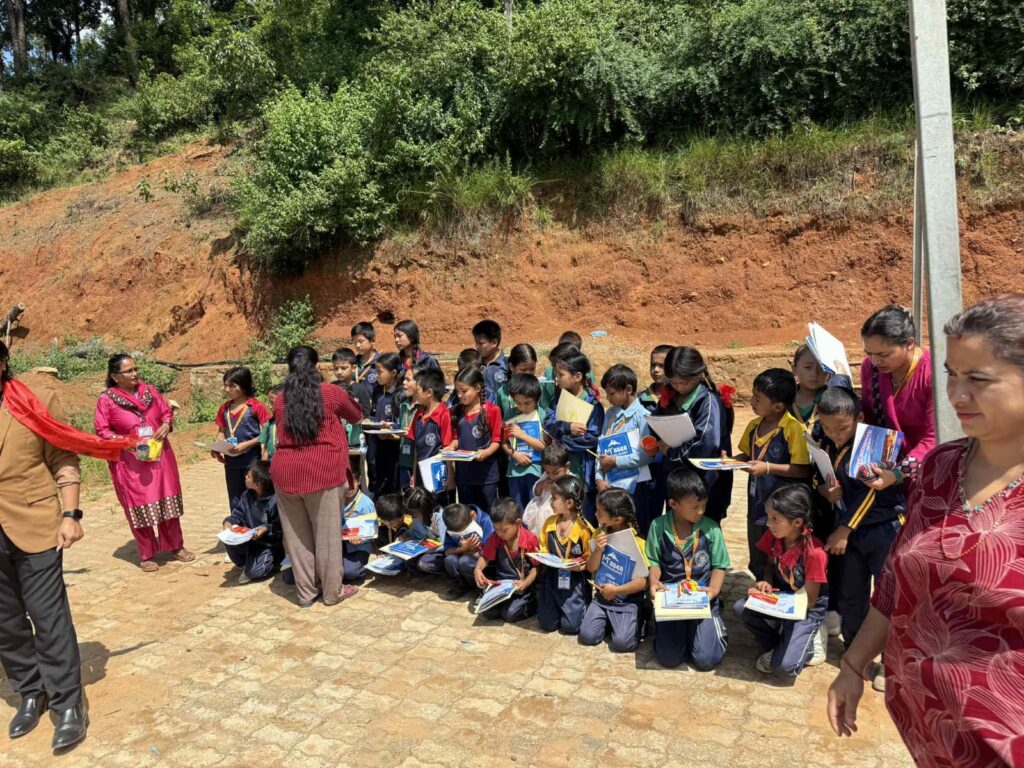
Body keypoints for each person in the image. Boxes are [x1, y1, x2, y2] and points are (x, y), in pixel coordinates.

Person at [828, 294, 1024, 767]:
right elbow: (896, 578)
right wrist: (853, 664)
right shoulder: (941, 469)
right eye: (952, 374)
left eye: (978, 379)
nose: (956, 395)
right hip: (925, 729)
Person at [0, 341, 126, 748]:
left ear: (2, 362)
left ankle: (68, 703)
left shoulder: (33, 401)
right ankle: (30, 691)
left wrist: (71, 514)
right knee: (5, 622)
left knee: (48, 616)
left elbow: (64, 457)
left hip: (35, 523)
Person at [816, 386, 904, 680]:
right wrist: (825, 490)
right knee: (852, 594)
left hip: (883, 529)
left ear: (860, 418)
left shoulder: (874, 442)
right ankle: (856, 653)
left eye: (841, 428)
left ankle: (891, 662)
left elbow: (871, 493)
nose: (834, 434)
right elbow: (820, 476)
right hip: (851, 533)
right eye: (827, 428)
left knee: (889, 596)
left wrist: (844, 529)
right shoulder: (826, 442)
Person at [270, 345, 363, 607]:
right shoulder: (332, 393)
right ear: (317, 366)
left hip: (286, 472)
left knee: (296, 537)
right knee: (327, 536)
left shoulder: (280, 400)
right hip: (324, 470)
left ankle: (306, 593)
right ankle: (332, 592)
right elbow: (356, 416)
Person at [94, 354, 194, 572]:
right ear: (115, 376)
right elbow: (102, 430)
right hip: (131, 461)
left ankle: (175, 546)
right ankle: (147, 553)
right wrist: (127, 442)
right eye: (128, 371)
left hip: (160, 455)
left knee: (167, 498)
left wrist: (166, 425)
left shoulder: (149, 391)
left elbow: (166, 413)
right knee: (139, 503)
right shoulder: (107, 399)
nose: (135, 374)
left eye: (135, 369)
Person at [735, 485, 828, 676]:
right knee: (741, 608)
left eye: (775, 519)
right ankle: (781, 643)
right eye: (768, 517)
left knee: (784, 667)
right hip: (783, 600)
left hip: (805, 609)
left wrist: (780, 608)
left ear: (797, 522)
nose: (769, 523)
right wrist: (765, 583)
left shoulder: (814, 553)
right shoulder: (774, 535)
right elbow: (770, 564)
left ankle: (811, 643)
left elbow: (810, 600)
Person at [731, 368, 811, 579]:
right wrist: (729, 461)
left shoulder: (792, 428)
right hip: (756, 505)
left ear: (778, 406)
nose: (752, 401)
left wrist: (767, 468)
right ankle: (761, 589)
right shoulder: (753, 426)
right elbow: (746, 455)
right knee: (758, 554)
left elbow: (802, 469)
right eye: (753, 396)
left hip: (781, 511)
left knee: (778, 557)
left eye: (758, 399)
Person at [646, 469, 730, 670]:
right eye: (695, 507)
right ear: (673, 504)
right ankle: (675, 631)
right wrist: (654, 581)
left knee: (706, 660)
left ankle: (713, 628)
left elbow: (719, 565)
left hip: (702, 598)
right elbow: (654, 561)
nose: (701, 511)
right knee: (669, 658)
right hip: (672, 599)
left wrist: (714, 590)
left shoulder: (711, 529)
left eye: (704, 505)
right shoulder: (658, 526)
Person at [653, 346, 733, 523]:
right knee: (677, 527)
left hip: (704, 482)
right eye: (674, 382)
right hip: (676, 479)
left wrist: (672, 452)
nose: (679, 387)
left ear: (698, 374)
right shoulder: (670, 397)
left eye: (684, 382)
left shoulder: (708, 401)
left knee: (701, 529)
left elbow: (705, 443)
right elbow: (656, 422)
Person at [859, 305, 935, 488]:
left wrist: (898, 474)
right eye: (869, 354)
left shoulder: (933, 374)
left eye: (883, 354)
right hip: (883, 466)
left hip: (929, 469)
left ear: (909, 344)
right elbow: (871, 419)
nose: (875, 361)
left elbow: (935, 437)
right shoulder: (870, 368)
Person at [580, 488, 649, 653]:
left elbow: (644, 582)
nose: (595, 514)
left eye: (600, 512)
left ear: (617, 519)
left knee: (622, 644)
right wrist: (598, 550)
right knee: (587, 636)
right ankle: (612, 623)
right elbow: (591, 567)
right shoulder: (599, 534)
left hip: (627, 602)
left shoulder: (638, 543)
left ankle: (641, 618)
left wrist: (616, 591)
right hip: (602, 598)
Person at [544, 350, 604, 526]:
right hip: (561, 468)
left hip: (583, 470)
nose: (556, 379)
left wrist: (562, 442)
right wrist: (567, 427)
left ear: (577, 376)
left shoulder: (593, 404)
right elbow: (548, 423)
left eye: (561, 375)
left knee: (584, 517)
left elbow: (593, 438)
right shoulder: (558, 399)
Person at [595, 364, 654, 533]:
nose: (608, 398)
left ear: (628, 389)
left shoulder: (643, 417)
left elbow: (646, 456)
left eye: (612, 393)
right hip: (610, 486)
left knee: (633, 531)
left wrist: (616, 461)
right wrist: (599, 479)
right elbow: (600, 449)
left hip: (634, 487)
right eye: (606, 393)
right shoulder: (610, 414)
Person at [537, 476, 592, 635]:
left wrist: (579, 567)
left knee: (571, 627)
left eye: (554, 498)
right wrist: (542, 556)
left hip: (574, 581)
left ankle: (583, 605)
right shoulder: (549, 523)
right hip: (552, 577)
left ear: (569, 503)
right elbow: (544, 548)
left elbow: (589, 561)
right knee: (547, 623)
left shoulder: (584, 529)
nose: (550, 502)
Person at [213, 366, 270, 514]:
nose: (227, 389)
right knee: (234, 499)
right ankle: (236, 525)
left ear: (243, 386)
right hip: (231, 463)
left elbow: (268, 431)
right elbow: (221, 432)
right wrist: (217, 447)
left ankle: (255, 526)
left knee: (253, 497)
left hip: (251, 461)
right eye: (225, 385)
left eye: (232, 386)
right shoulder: (224, 409)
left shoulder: (256, 406)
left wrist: (247, 444)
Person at [474, 497, 540, 622]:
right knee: (488, 612)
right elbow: (485, 557)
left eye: (504, 530)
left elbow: (537, 567)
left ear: (518, 523)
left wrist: (526, 583)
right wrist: (477, 569)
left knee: (509, 614)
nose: (499, 533)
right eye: (496, 529)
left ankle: (531, 603)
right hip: (502, 586)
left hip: (522, 587)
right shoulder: (495, 537)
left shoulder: (529, 539)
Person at [221, 460, 283, 584]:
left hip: (269, 544)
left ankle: (275, 561)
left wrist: (265, 529)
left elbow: (279, 529)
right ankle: (247, 562)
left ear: (258, 484)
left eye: (249, 476)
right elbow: (237, 515)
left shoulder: (275, 501)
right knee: (228, 538)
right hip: (250, 540)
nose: (245, 477)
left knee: (254, 572)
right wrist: (228, 522)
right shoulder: (247, 495)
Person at [450, 367, 503, 512]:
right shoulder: (455, 412)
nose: (460, 395)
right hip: (464, 476)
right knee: (468, 514)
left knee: (488, 514)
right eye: (457, 391)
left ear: (478, 388)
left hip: (487, 476)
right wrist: (450, 447)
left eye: (464, 391)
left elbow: (496, 441)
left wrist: (486, 452)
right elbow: (456, 439)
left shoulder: (492, 410)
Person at [407, 368, 453, 502]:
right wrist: (414, 474)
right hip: (421, 474)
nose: (415, 393)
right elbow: (416, 449)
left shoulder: (444, 414)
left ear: (429, 392)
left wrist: (451, 476)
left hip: (439, 475)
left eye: (417, 390)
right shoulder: (418, 414)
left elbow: (448, 449)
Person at [502, 373, 546, 512]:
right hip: (514, 472)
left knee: (535, 509)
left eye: (527, 403)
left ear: (537, 399)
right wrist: (514, 454)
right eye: (518, 403)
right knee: (518, 510)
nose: (522, 408)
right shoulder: (510, 414)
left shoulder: (542, 414)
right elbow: (504, 442)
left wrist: (522, 435)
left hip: (536, 470)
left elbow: (544, 446)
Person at [440, 502, 493, 600]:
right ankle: (461, 585)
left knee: (464, 561)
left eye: (464, 532)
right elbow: (447, 551)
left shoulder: (486, 521)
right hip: (464, 557)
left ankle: (481, 587)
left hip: (484, 563)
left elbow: (489, 553)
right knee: (450, 560)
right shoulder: (452, 525)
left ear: (473, 515)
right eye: (456, 534)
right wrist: (462, 549)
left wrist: (469, 551)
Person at [368, 352, 403, 497]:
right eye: (376, 372)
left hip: (394, 449)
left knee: (392, 487)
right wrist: (370, 421)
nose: (377, 376)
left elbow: (402, 424)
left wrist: (390, 431)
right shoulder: (377, 391)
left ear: (393, 373)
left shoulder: (401, 395)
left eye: (380, 372)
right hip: (378, 445)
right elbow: (374, 413)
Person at [523, 443, 571, 537]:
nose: (551, 476)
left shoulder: (570, 481)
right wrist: (540, 486)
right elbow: (536, 493)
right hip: (542, 520)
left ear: (567, 466)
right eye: (548, 472)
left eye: (556, 473)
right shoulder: (545, 477)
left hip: (560, 520)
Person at [341, 468, 375, 582]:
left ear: (359, 480)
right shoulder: (336, 499)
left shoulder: (366, 504)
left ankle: (360, 568)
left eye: (353, 483)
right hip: (340, 544)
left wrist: (361, 539)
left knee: (350, 572)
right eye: (346, 484)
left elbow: (371, 531)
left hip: (359, 547)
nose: (350, 488)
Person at [790, 344, 828, 432]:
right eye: (808, 367)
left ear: (829, 372)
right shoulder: (784, 399)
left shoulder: (834, 401)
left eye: (821, 368)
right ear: (794, 369)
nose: (814, 373)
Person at [472, 319, 507, 403]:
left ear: (494, 342)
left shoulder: (507, 365)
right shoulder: (474, 364)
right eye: (476, 343)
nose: (477, 347)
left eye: (481, 343)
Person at [332, 347, 372, 418]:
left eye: (343, 368)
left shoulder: (361, 389)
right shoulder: (331, 387)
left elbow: (366, 414)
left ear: (353, 368)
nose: (339, 372)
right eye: (336, 368)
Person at [639, 344, 673, 412]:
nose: (655, 369)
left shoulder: (679, 397)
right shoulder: (641, 398)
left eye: (662, 365)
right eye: (653, 365)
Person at [351, 321, 381, 393]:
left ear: (372, 340)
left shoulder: (382, 362)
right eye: (354, 342)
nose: (357, 345)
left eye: (361, 341)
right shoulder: (352, 362)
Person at [258, 385, 282, 462]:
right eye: (270, 403)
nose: (271, 407)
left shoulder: (296, 424)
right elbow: (265, 449)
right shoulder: (270, 423)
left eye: (273, 403)